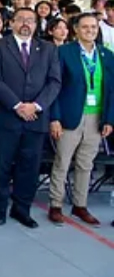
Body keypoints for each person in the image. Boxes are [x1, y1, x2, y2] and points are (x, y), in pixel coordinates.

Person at [0, 7, 62, 227]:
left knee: (29, 167)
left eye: (31, 20)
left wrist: (35, 106)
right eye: (21, 19)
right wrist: (17, 105)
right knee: (1, 165)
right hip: (6, 117)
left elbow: (54, 82)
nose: (26, 24)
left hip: (36, 119)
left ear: (37, 25)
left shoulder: (48, 49)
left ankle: (22, 209)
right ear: (11, 23)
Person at [47, 13, 114, 225]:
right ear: (75, 29)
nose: (90, 31)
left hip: (96, 117)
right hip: (70, 116)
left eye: (93, 27)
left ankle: (80, 205)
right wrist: (55, 118)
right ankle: (56, 205)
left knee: (86, 163)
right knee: (62, 162)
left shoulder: (106, 54)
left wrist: (109, 120)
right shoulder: (64, 52)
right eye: (85, 27)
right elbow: (54, 87)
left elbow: (111, 90)